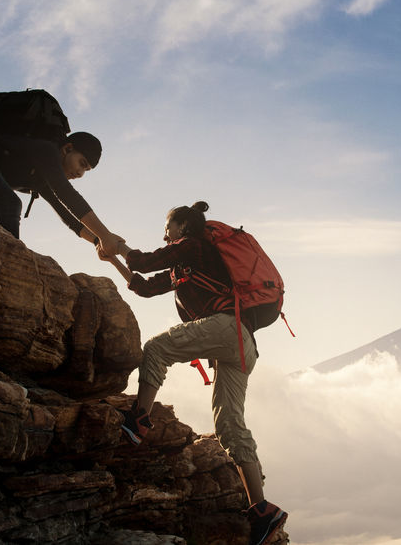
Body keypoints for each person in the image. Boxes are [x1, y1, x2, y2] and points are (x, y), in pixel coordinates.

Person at [102, 201, 287, 545]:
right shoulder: (185, 266)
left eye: (168, 227)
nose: (165, 234)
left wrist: (119, 245)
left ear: (184, 226)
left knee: (156, 349)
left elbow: (143, 260)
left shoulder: (194, 246)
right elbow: (143, 285)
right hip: (242, 344)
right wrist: (113, 258)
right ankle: (261, 509)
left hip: (226, 330)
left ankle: (138, 420)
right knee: (229, 426)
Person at [0, 130, 123, 249]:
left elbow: (68, 217)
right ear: (67, 149)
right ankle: (9, 266)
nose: (80, 173)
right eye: (82, 164)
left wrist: (99, 241)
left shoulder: (41, 178)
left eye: (86, 170)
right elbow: (67, 194)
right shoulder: (47, 150)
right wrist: (104, 234)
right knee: (10, 205)